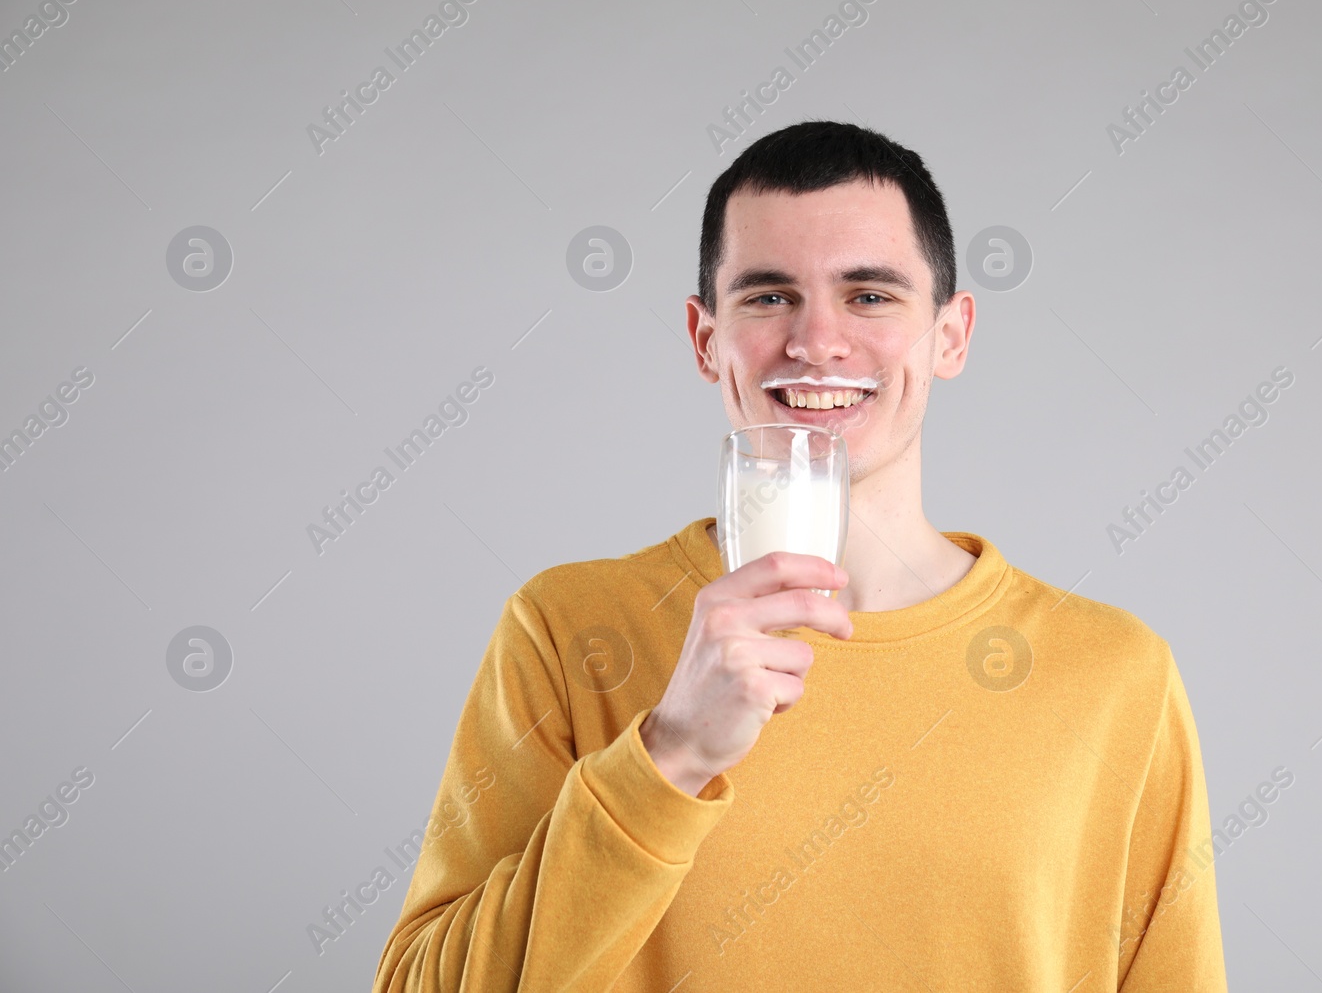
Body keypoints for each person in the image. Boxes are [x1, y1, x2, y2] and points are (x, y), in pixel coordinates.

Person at [372, 121, 1228, 991]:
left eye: (869, 297)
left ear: (951, 335)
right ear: (707, 340)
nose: (817, 342)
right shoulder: (566, 629)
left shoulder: (1116, 675)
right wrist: (667, 757)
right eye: (769, 296)